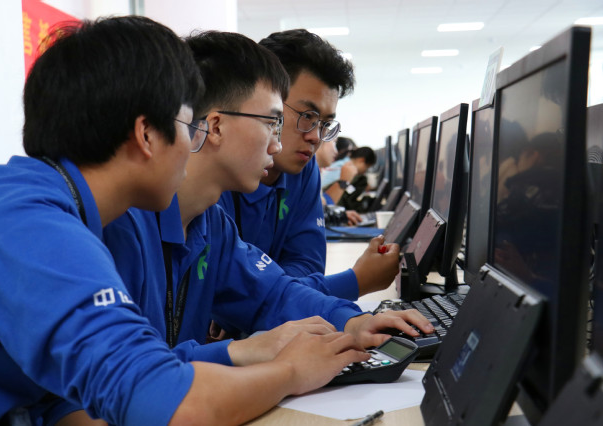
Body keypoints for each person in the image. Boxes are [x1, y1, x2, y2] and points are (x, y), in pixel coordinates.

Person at [0, 17, 378, 426]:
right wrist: (291, 372)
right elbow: (167, 401)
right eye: (188, 125)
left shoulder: (48, 203)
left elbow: (143, 367)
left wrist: (245, 351)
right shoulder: (35, 232)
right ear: (147, 134)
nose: (194, 142)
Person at [44, 29, 433, 426]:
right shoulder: (109, 224)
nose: (278, 145)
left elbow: (273, 294)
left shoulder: (210, 222)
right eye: (272, 122)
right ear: (213, 125)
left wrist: (351, 321)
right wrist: (256, 359)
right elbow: (105, 393)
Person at [217, 29, 397, 300]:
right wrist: (353, 282)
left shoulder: (303, 168)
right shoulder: (216, 173)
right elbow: (227, 292)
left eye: (325, 123)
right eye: (307, 116)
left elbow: (307, 264)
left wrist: (267, 295)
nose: (315, 137)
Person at [316, 139, 362, 225]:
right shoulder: (339, 167)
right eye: (333, 142)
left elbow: (322, 207)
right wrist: (343, 181)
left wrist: (339, 215)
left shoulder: (316, 171)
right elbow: (319, 211)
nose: (336, 151)